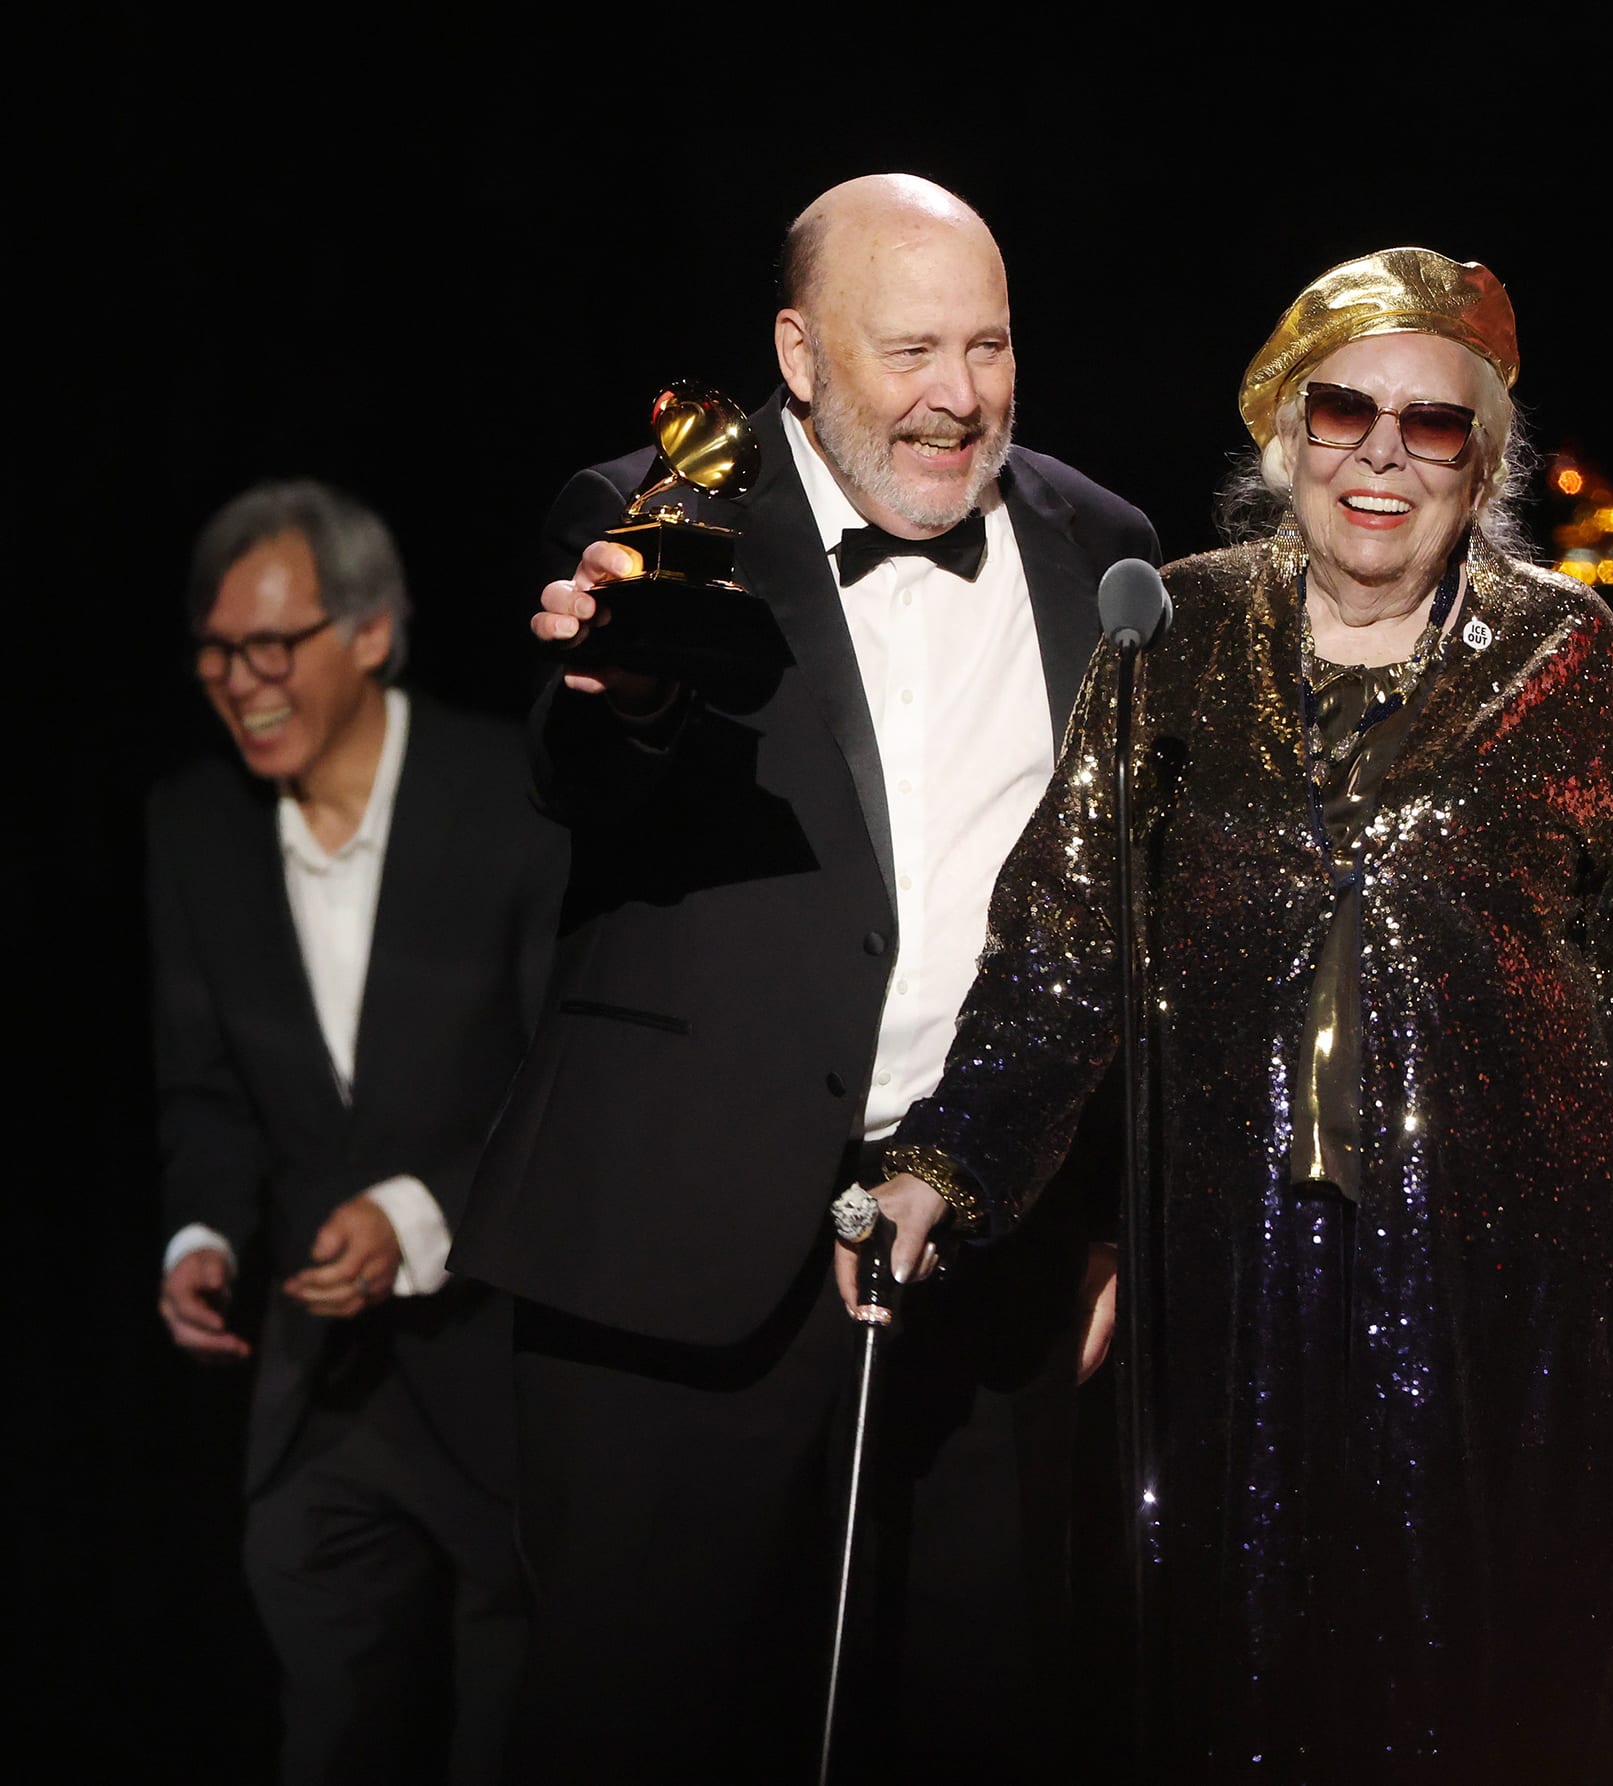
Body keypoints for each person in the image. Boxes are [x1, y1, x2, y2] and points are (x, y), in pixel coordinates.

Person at [856, 248, 1613, 1783]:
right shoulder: (1166, 643)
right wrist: (943, 1165)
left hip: (1511, 1327)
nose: (1380, 452)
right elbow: (1058, 958)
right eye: (1343, 410)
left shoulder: (1571, 662)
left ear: (1484, 465)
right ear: (1282, 436)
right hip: (1236, 1317)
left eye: (1432, 426)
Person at [453, 173, 1156, 1782]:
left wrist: (1103, 1198)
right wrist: (625, 689)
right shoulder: (655, 515)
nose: (958, 395)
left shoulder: (1101, 549)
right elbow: (590, 767)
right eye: (911, 347)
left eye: (988, 347)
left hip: (987, 1258)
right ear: (796, 349)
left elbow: (1118, 916)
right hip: (676, 1268)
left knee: (983, 1721)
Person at [149, 480, 563, 1784]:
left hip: (503, 1376)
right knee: (329, 1739)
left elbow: (568, 1080)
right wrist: (201, 1233)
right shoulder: (195, 828)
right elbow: (208, 1092)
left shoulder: (513, 795)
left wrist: (419, 1215)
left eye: (273, 645)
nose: (241, 681)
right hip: (319, 1389)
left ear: (373, 631)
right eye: (219, 650)